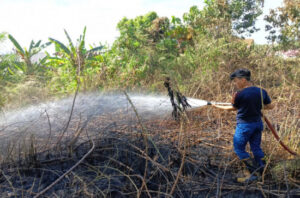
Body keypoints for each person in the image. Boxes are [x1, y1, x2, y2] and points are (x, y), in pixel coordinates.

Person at [212, 68, 274, 182]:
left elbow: (232, 108)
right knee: (256, 148)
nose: (235, 83)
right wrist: (257, 106)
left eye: (236, 81)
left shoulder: (239, 94)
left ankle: (253, 173)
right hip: (257, 124)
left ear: (244, 80)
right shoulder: (261, 91)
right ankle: (263, 171)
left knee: (239, 149)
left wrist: (216, 106)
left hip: (244, 126)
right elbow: (270, 106)